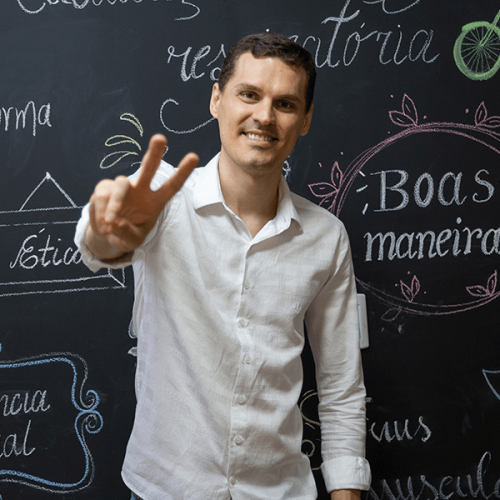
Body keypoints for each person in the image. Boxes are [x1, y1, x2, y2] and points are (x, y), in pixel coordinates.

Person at [75, 32, 371, 500]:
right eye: (249, 95)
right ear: (217, 99)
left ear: (306, 119)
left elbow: (340, 385)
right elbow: (101, 244)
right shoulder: (160, 198)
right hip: (166, 489)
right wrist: (109, 233)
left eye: (286, 104)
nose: (264, 117)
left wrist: (347, 491)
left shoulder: (327, 237)